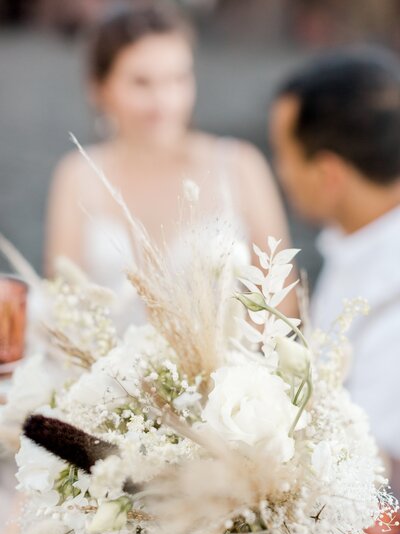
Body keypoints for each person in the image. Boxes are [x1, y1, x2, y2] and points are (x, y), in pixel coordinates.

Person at [46, 1, 295, 327]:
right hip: (107, 375)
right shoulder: (76, 176)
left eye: (178, 79)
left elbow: (282, 306)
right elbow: (60, 308)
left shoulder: (240, 166)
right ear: (99, 89)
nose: (164, 101)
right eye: (142, 83)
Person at [269, 47, 400, 490]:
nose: (280, 173)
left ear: (328, 173)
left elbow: (376, 458)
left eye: (284, 155)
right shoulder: (356, 242)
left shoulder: (391, 289)